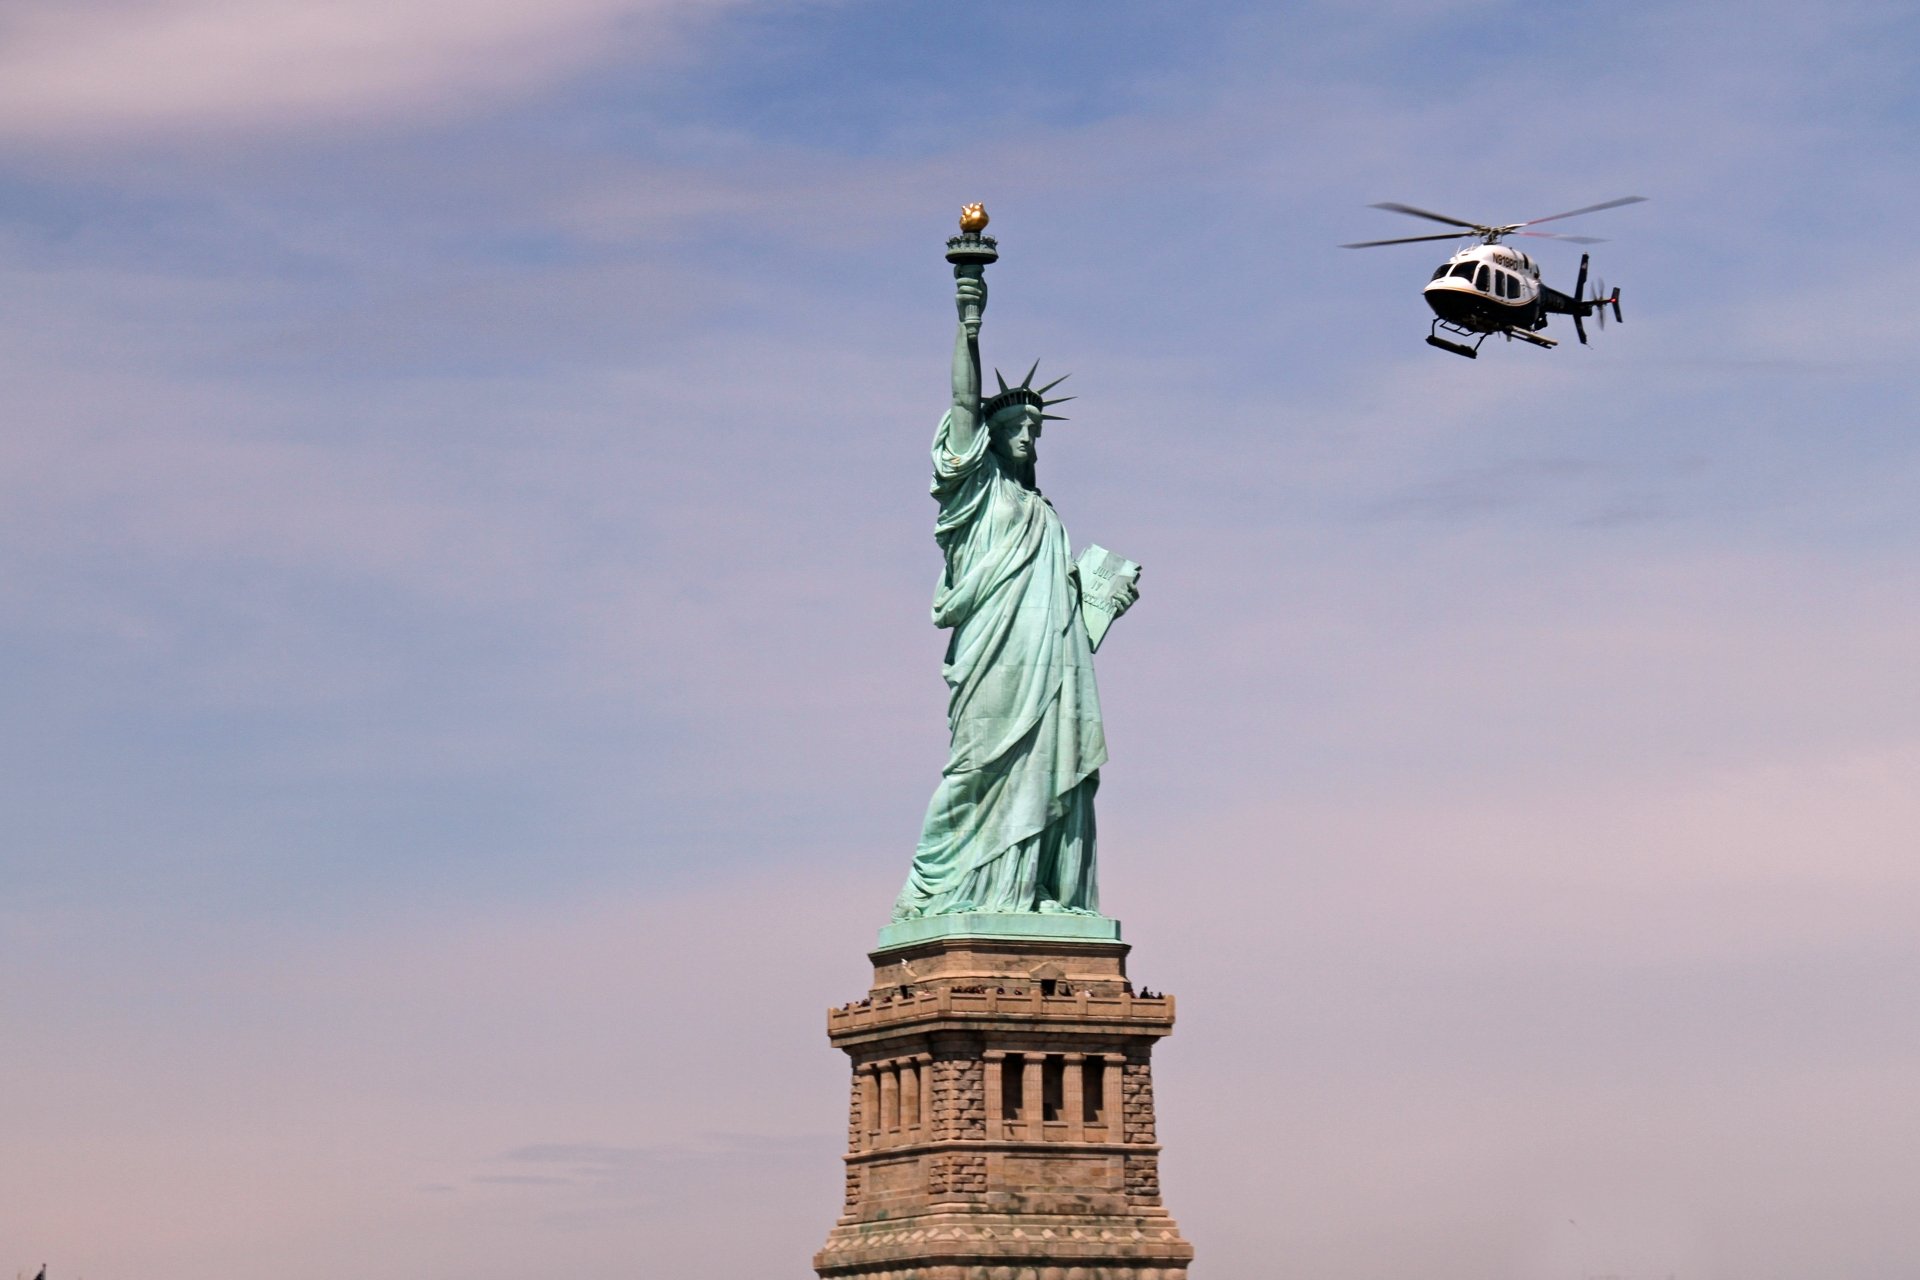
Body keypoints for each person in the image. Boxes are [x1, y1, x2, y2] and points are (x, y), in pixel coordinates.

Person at [890, 260, 1137, 921]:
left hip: (1052, 669)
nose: (1029, 436)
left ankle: (1033, 895)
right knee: (978, 768)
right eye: (1016, 428)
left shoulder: (1045, 514)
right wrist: (970, 318)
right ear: (989, 440)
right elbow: (964, 404)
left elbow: (1064, 622)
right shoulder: (975, 494)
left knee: (1056, 770)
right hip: (993, 660)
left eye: (1036, 429)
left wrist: (1099, 604)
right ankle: (945, 892)